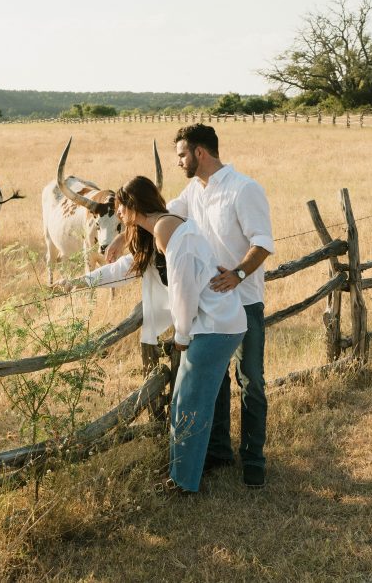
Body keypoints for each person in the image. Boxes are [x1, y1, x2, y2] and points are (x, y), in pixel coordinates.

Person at [107, 124, 274, 488]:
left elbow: (262, 242)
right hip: (208, 306)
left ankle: (253, 461)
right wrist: (123, 236)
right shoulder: (192, 192)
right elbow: (154, 213)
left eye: (182, 154)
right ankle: (216, 454)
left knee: (251, 381)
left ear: (200, 152)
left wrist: (240, 274)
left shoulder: (243, 189)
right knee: (213, 386)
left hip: (243, 299)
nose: (179, 160)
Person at [106, 175, 246, 493]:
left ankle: (182, 482)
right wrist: (82, 281)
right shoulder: (161, 227)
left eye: (119, 209)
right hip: (216, 322)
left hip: (215, 326)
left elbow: (183, 290)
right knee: (185, 399)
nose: (117, 216)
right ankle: (191, 470)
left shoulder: (168, 231)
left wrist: (182, 335)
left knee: (189, 405)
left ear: (132, 205)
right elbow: (129, 265)